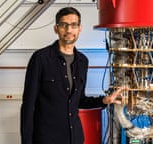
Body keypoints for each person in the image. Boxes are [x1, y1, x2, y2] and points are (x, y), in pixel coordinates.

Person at [20, 7, 126, 144]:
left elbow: (79, 100)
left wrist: (104, 100)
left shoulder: (82, 61)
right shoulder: (40, 58)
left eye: (74, 25)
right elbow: (28, 105)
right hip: (46, 139)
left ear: (79, 28)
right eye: (64, 25)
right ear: (56, 28)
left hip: (74, 138)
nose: (69, 30)